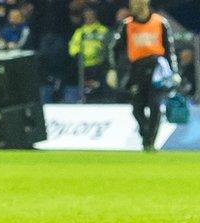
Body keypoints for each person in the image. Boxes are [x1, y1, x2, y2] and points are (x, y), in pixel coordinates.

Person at [109, 0, 180, 151]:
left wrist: (174, 72)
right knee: (137, 108)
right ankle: (145, 132)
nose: (135, 6)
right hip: (137, 69)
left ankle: (149, 143)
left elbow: (169, 50)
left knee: (155, 105)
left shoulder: (160, 23)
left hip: (157, 69)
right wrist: (113, 69)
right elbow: (115, 48)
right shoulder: (127, 25)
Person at [68, 8, 110, 103]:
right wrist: (77, 53)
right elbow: (73, 46)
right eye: (87, 15)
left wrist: (102, 53)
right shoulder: (80, 31)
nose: (89, 17)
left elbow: (108, 45)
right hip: (84, 65)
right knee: (86, 87)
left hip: (100, 64)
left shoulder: (103, 30)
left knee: (99, 86)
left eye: (91, 14)